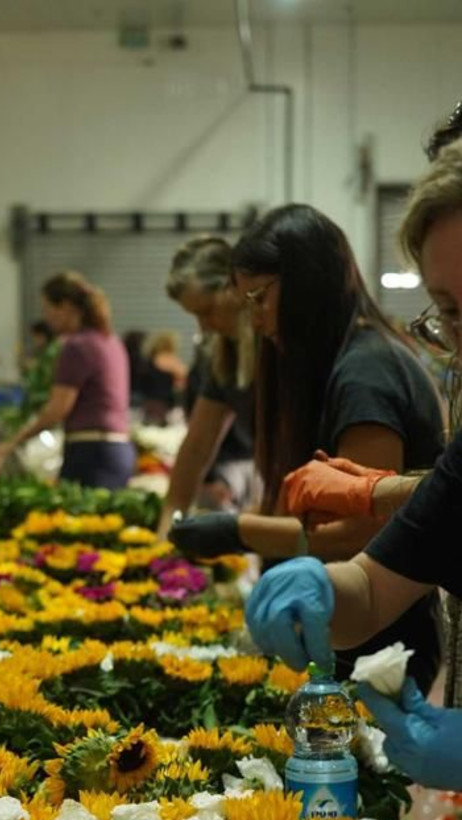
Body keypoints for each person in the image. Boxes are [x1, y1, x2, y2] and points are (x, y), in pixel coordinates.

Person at [245, 139, 462, 790]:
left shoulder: (362, 372)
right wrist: (320, 589)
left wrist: (241, 532)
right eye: (450, 312)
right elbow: (373, 589)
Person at [169, 204, 445, 693]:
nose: (253, 319)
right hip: (351, 631)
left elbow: (362, 532)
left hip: (380, 648)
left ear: (306, 284)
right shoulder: (334, 363)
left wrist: (240, 531)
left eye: (260, 298)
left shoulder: (366, 374)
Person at [0, 271, 135, 490]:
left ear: (65, 306)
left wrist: (9, 445)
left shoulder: (76, 346)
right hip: (118, 450)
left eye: (47, 308)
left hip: (91, 452)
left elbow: (57, 409)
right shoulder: (111, 342)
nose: (46, 317)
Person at [159, 235, 256, 533]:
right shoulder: (219, 352)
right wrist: (168, 524)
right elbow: (197, 446)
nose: (204, 326)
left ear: (234, 288)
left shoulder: (272, 344)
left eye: (207, 310)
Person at [140, 330, 188, 424]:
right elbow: (184, 378)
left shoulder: (150, 360)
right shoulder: (171, 360)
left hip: (148, 403)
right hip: (166, 404)